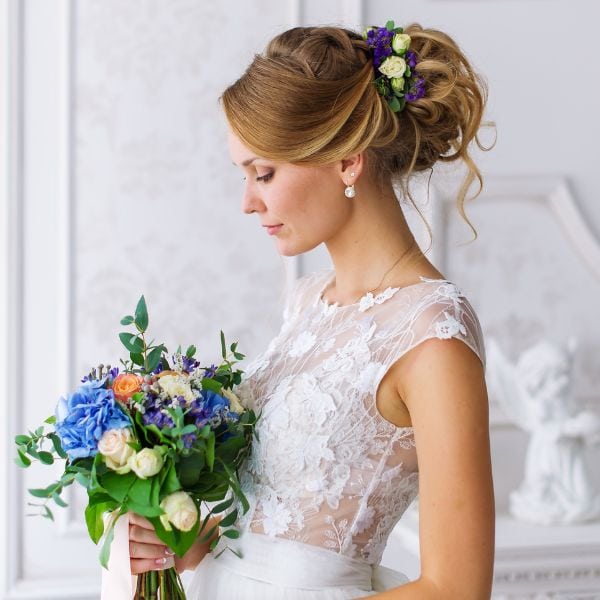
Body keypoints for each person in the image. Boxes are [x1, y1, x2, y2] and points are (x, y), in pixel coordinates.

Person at [113, 20, 496, 599]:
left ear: (347, 161)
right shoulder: (308, 301)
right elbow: (283, 522)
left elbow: (457, 589)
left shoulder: (432, 335)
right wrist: (186, 545)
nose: (248, 202)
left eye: (263, 173)